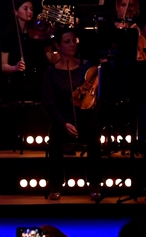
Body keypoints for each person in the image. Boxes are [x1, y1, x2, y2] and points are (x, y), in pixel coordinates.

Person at [41, 27, 101, 201]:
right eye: (66, 41)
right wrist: (64, 123)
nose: (71, 44)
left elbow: (96, 94)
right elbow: (48, 103)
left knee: (94, 134)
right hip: (62, 120)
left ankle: (95, 183)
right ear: (58, 46)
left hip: (85, 117)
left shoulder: (87, 66)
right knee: (54, 139)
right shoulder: (51, 72)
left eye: (73, 40)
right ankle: (56, 184)